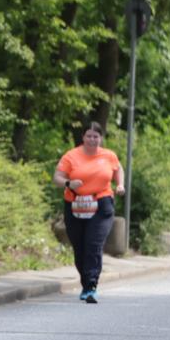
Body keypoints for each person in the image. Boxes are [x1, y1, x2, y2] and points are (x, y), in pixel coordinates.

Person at [52, 122, 125, 303]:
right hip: (75, 203)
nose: (92, 140)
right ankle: (85, 283)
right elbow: (57, 177)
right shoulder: (71, 156)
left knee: (94, 243)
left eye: (96, 136)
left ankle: (91, 285)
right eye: (89, 136)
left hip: (102, 203)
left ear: (101, 138)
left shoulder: (108, 155)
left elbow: (118, 169)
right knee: (80, 246)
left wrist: (120, 184)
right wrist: (69, 183)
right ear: (83, 137)